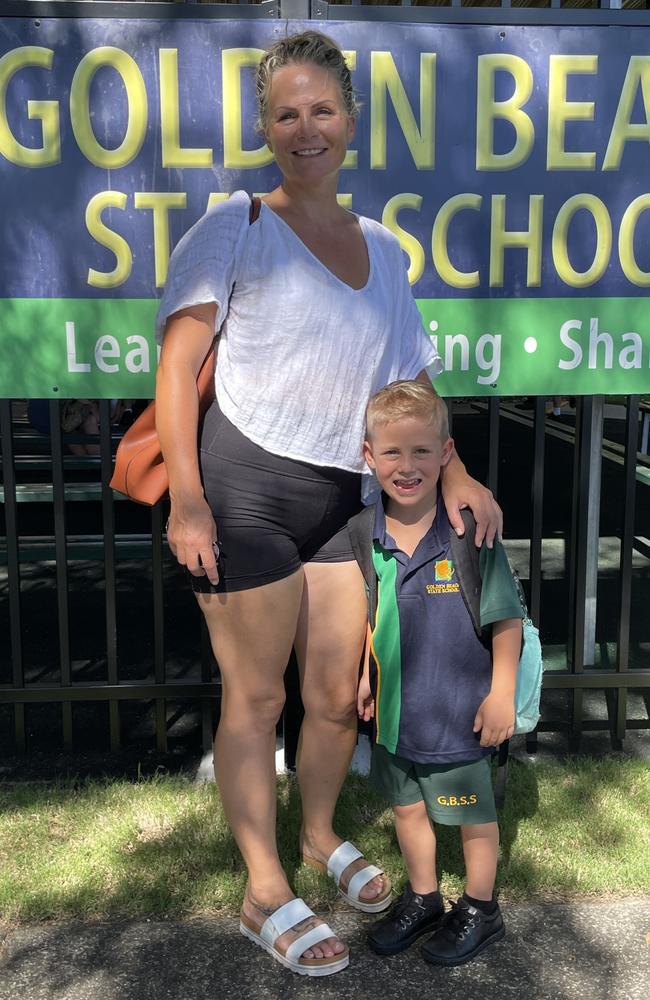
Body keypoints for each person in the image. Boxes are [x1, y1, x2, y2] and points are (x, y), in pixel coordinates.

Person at [155, 30, 501, 976]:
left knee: (334, 703)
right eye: (285, 113)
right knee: (257, 697)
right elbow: (180, 367)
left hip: (339, 502)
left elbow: (410, 379)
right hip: (242, 487)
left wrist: (458, 468)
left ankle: (315, 835)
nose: (305, 129)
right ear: (267, 127)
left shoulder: (383, 248)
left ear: (349, 121)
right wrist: (188, 500)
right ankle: (263, 888)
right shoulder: (235, 225)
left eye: (322, 111)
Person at [352, 380, 523, 967]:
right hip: (398, 718)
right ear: (368, 456)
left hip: (460, 713)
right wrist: (368, 676)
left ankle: (480, 907)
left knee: (473, 817)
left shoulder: (471, 533)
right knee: (407, 810)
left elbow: (507, 622)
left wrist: (502, 693)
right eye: (393, 452)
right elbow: (371, 616)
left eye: (422, 451)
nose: (408, 466)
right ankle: (424, 896)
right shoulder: (363, 534)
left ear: (446, 455)